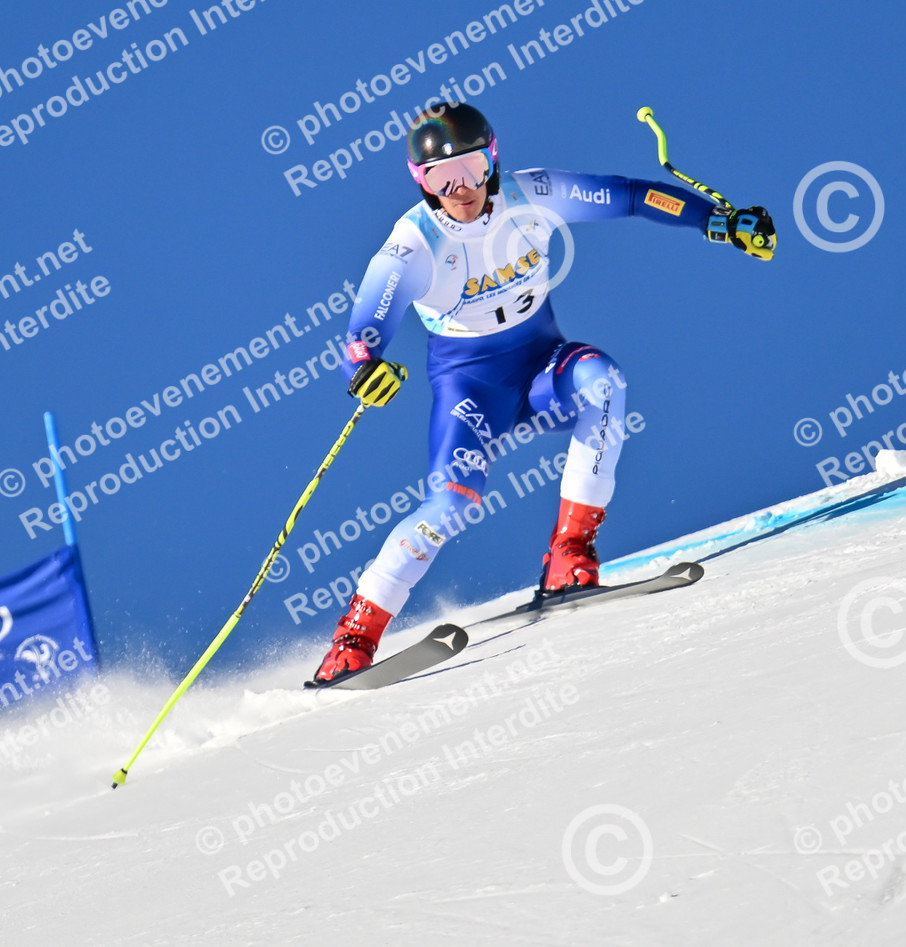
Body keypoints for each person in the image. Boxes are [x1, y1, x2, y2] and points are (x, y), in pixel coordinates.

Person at [309, 103, 774, 685]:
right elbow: (364, 329)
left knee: (603, 380)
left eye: (472, 169)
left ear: (493, 161)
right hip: (472, 390)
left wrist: (716, 221)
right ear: (420, 182)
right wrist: (365, 367)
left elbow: (632, 196)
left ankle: (569, 553)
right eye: (441, 178)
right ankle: (354, 638)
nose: (460, 190)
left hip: (541, 371)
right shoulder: (413, 244)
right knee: (451, 504)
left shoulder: (532, 196)